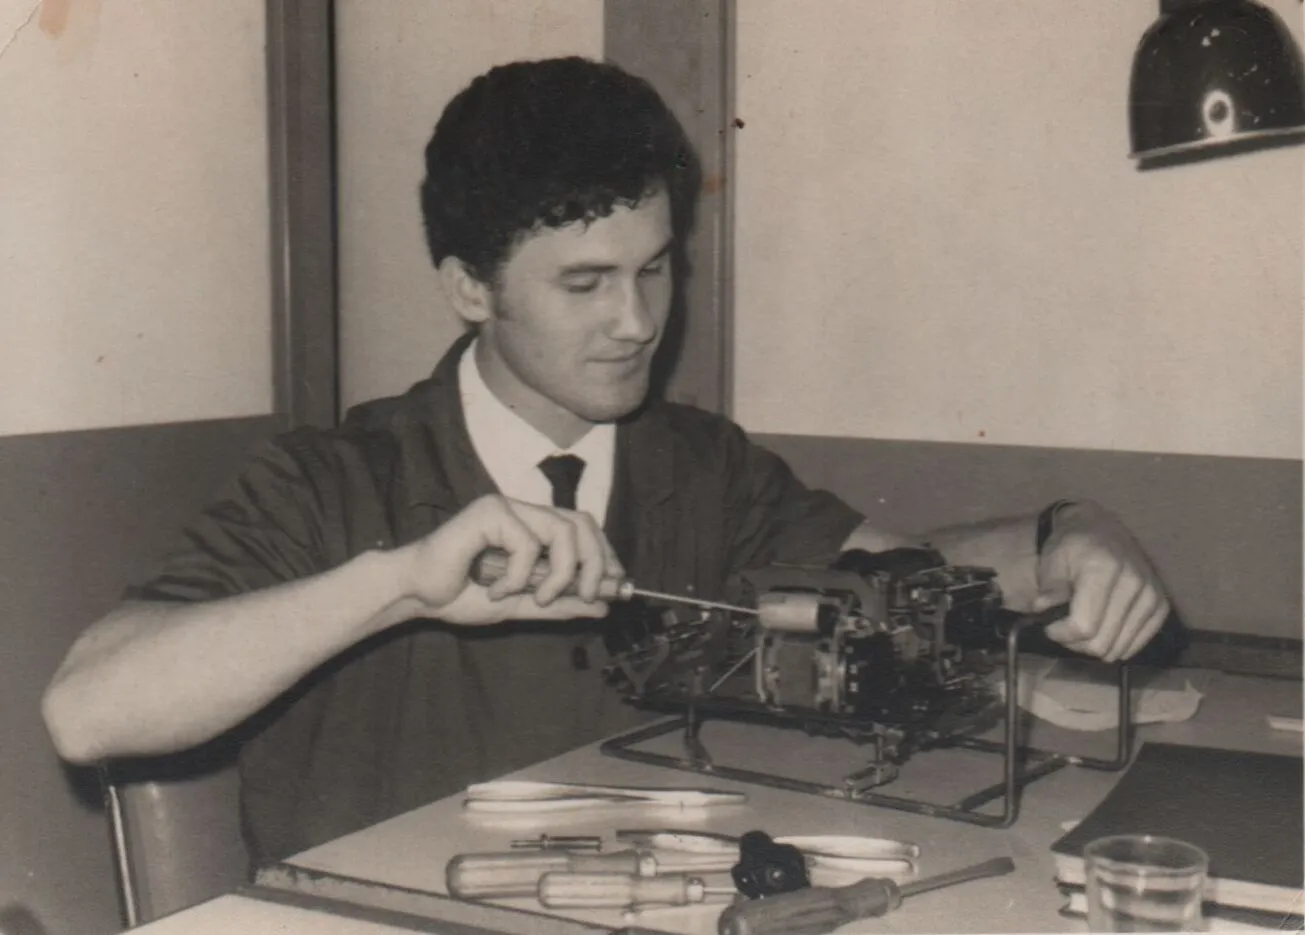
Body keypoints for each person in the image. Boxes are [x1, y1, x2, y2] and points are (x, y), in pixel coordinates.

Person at [42, 57, 1170, 866]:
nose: (637, 321)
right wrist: (394, 582)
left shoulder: (697, 466)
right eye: (584, 284)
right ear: (468, 287)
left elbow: (905, 571)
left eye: (657, 269)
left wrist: (1065, 541)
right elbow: (87, 710)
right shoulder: (333, 479)